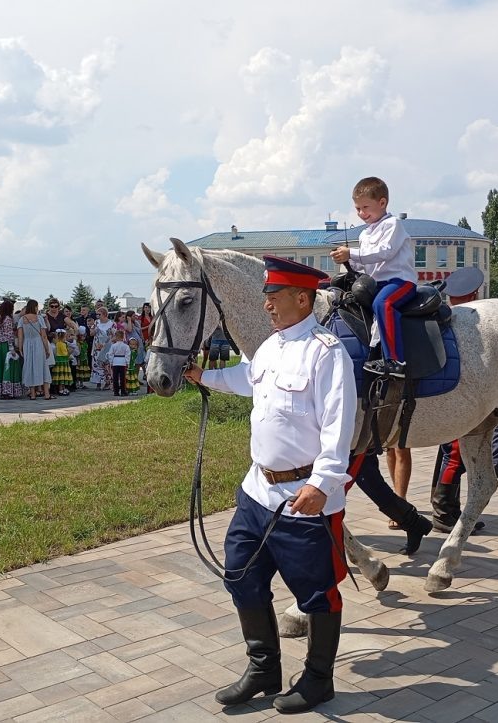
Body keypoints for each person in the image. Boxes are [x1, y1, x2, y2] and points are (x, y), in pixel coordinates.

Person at [183, 255, 356, 714]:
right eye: (266, 297)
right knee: (241, 575)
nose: (267, 306)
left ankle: (319, 678)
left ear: (303, 299)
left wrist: (322, 483)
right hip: (257, 493)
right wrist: (206, 377)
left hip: (303, 499)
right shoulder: (270, 347)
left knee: (317, 593)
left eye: (275, 297)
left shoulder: (327, 352)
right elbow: (249, 380)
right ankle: (264, 668)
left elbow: (341, 425)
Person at [430, 266, 498, 533]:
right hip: (461, 398)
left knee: (448, 453)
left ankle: (446, 505)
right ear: (474, 294)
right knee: (455, 454)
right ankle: (444, 510)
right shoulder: (469, 323)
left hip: (448, 396)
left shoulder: (444, 318)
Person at [330, 177, 416, 378]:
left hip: (399, 282)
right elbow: (364, 263)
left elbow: (384, 252)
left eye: (365, 207)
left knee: (383, 304)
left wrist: (351, 253)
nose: (361, 213)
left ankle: (396, 361)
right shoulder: (364, 234)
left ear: (382, 203)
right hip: (376, 283)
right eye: (358, 208)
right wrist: (346, 261)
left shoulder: (392, 224)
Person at [18, 299, 51, 400]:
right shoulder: (39, 318)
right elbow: (44, 336)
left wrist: (20, 348)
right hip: (38, 343)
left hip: (27, 344)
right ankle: (46, 394)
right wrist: (47, 349)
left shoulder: (22, 319)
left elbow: (20, 336)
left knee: (30, 367)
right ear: (35, 307)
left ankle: (33, 394)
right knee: (43, 367)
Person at [0, 300, 23, 399]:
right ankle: (8, 391)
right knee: (8, 366)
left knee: (0, 366)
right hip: (7, 345)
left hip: (0, 344)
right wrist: (11, 348)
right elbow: (9, 334)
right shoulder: (8, 319)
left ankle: (0, 390)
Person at [107, 329, 130, 397]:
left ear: (116, 337)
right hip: (122, 362)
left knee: (115, 378)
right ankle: (123, 391)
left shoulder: (113, 346)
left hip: (115, 362)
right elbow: (128, 354)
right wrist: (127, 362)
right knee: (123, 378)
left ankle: (116, 391)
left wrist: (111, 361)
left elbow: (110, 354)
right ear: (123, 337)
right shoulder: (126, 346)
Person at [51, 329, 73, 395]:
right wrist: (69, 352)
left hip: (61, 361)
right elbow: (65, 353)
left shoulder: (58, 344)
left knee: (62, 376)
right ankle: (61, 389)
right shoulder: (61, 344)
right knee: (62, 376)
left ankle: (63, 388)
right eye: (65, 337)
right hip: (62, 362)